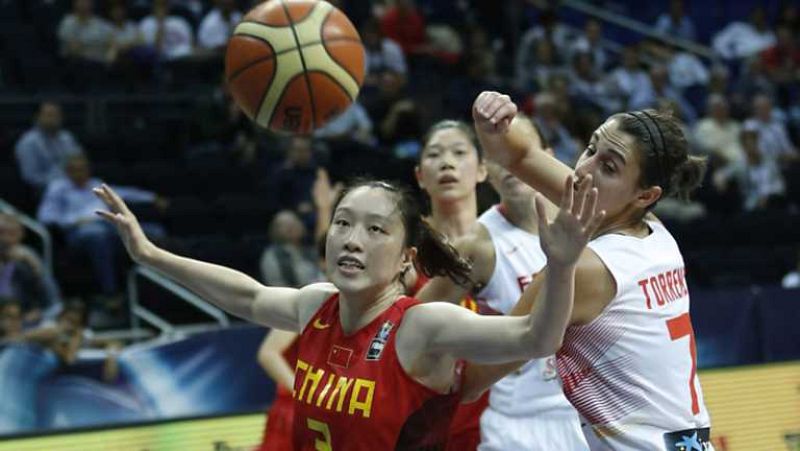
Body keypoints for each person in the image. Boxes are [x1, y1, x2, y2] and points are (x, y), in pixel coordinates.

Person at [92, 172, 603, 449]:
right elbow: (247, 296)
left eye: (375, 229)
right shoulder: (317, 304)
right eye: (342, 223)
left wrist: (561, 265)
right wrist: (152, 256)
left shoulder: (420, 325)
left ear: (405, 259)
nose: (352, 240)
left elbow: (536, 338)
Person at [469, 90, 713, 450]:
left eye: (608, 167)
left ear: (646, 195)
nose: (583, 170)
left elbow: (475, 377)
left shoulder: (589, 269)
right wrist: (490, 125)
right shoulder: (653, 231)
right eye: (590, 148)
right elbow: (521, 156)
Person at [416, 148, 588, 448]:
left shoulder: (585, 223)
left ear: (545, 157)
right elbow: (415, 322)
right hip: (517, 419)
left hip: (583, 409)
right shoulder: (478, 244)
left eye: (519, 152)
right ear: (487, 170)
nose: (511, 164)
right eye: (501, 156)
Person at [413, 120, 487, 450]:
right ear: (419, 176)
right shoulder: (402, 249)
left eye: (459, 152)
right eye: (434, 155)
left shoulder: (508, 244)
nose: (446, 163)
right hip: (426, 421)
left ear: (483, 170)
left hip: (502, 415)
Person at [37, 154, 167, 298]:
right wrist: (74, 221)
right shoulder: (58, 188)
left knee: (155, 231)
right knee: (97, 235)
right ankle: (110, 291)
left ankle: (160, 281)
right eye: (75, 170)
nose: (80, 173)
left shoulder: (95, 183)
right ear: (67, 172)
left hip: (108, 225)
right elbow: (45, 216)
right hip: (79, 231)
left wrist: (151, 197)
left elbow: (122, 194)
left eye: (83, 169)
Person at [15, 102, 84, 192]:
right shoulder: (28, 142)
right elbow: (30, 177)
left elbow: (80, 162)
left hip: (75, 184)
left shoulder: (67, 137)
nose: (54, 119)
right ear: (37, 117)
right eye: (49, 115)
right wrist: (59, 184)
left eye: (57, 115)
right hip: (46, 189)